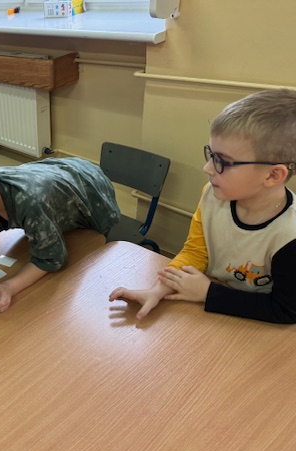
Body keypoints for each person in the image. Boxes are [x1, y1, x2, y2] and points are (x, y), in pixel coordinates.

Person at [109, 89, 296, 324]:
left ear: (273, 175)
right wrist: (158, 290)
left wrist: (209, 293)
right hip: (214, 309)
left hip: (261, 325)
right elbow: (196, 252)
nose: (207, 168)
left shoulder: (290, 235)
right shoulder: (212, 195)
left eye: (222, 161)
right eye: (211, 154)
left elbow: (286, 310)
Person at [0, 149, 120, 313]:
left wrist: (10, 286)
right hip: (64, 175)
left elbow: (52, 258)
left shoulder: (32, 205)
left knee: (90, 249)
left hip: (93, 197)